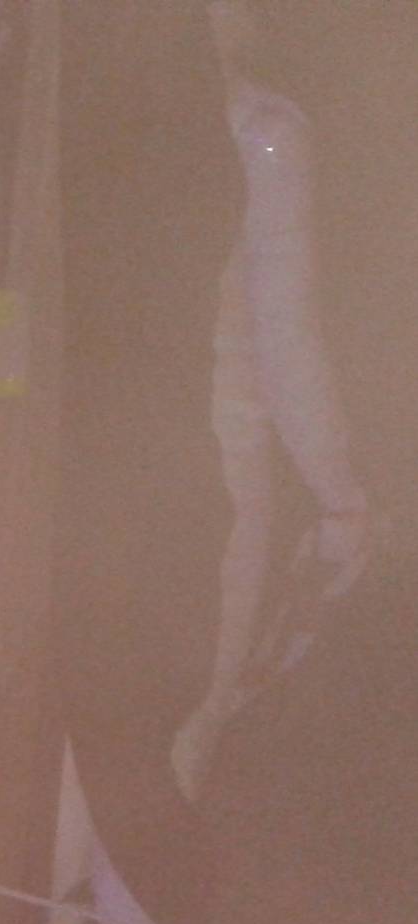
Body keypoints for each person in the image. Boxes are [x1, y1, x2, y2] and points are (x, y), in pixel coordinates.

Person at [45, 0, 244, 924]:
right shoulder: (205, 121)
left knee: (116, 728)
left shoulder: (74, 104)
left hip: (109, 457)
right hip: (153, 458)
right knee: (143, 728)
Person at [170, 0, 374, 800]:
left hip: (108, 451)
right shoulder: (263, 130)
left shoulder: (109, 116)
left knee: (94, 721)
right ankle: (134, 881)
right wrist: (343, 498)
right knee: (191, 718)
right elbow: (287, 340)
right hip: (220, 469)